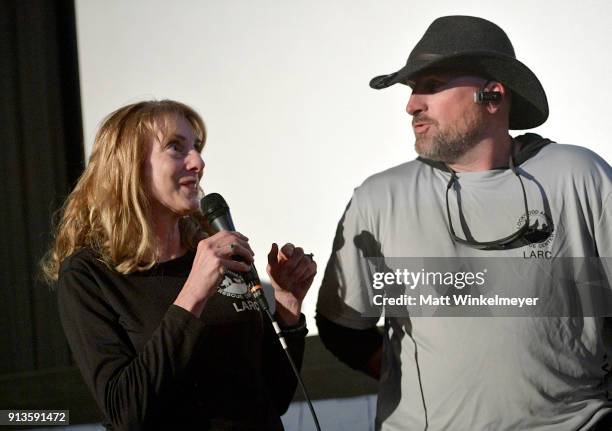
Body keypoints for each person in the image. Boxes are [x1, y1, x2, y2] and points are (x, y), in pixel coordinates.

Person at [316, 15, 612, 430]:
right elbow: (343, 329)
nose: (411, 104)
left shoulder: (579, 176)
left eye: (432, 86)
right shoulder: (381, 198)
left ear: (492, 96)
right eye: (411, 90)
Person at [41, 100, 317, 430]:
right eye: (176, 147)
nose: (198, 161)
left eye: (196, 148)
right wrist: (193, 293)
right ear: (129, 165)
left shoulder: (215, 255)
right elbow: (126, 412)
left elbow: (275, 395)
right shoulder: (89, 275)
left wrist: (287, 305)